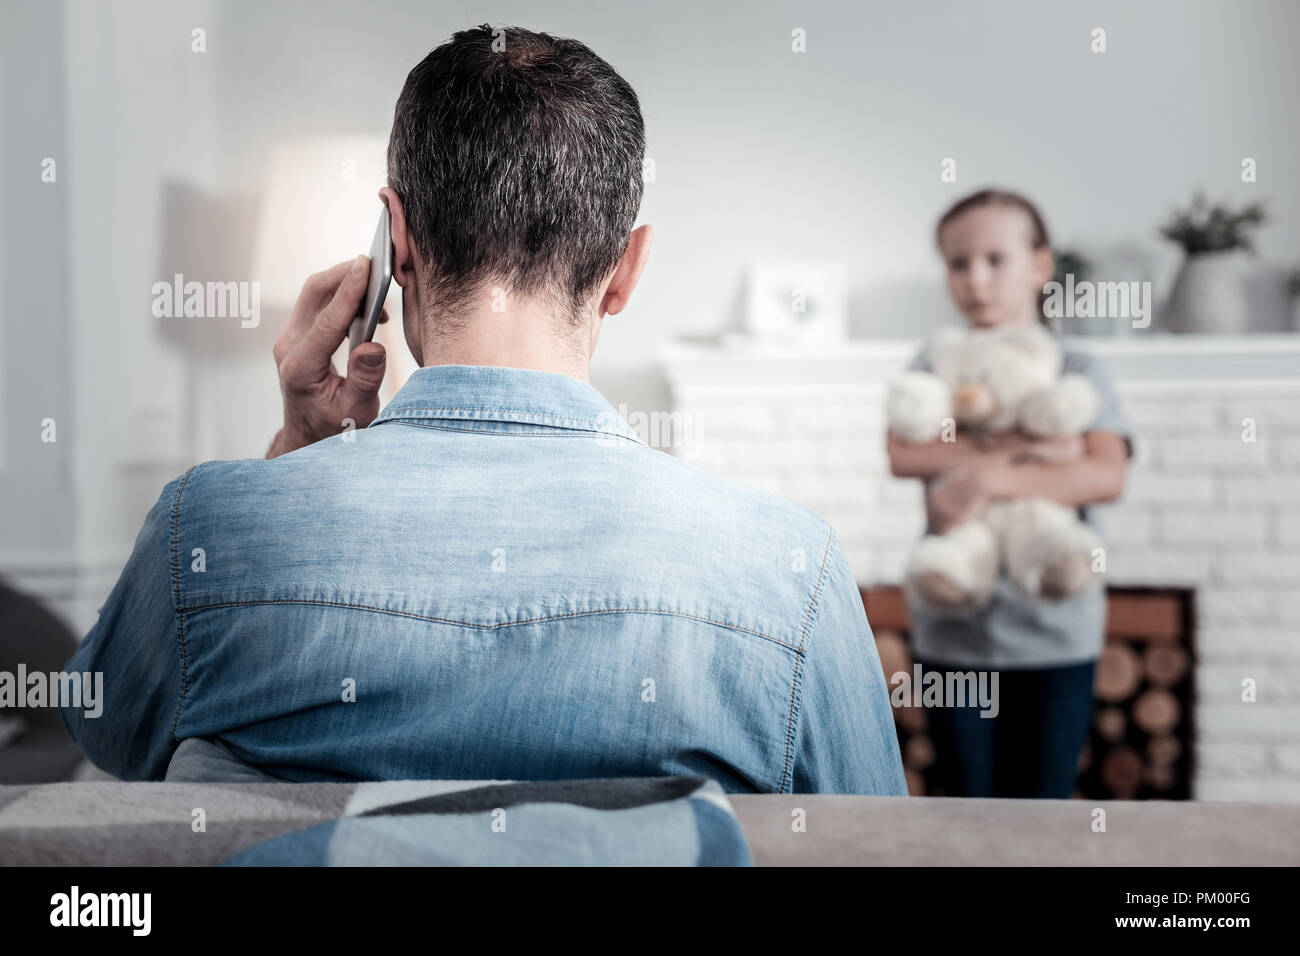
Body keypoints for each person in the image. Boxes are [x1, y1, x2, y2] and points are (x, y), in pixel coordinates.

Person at [59, 24, 906, 796]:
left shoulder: (207, 530)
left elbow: (108, 736)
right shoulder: (793, 573)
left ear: (396, 243)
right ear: (626, 269)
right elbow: (873, 839)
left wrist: (297, 451)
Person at [887, 189, 1132, 799]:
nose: (977, 280)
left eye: (996, 260)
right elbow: (905, 452)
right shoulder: (935, 359)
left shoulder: (1078, 365)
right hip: (954, 631)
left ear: (1040, 266)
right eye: (958, 262)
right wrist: (1036, 444)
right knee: (965, 807)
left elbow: (1105, 473)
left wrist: (989, 476)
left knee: (1042, 807)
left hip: (1056, 631)